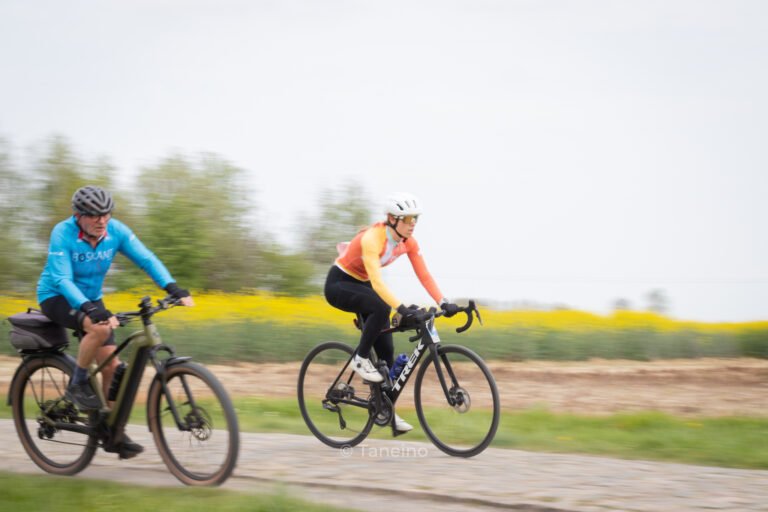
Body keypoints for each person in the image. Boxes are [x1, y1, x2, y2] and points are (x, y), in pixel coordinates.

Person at [37, 185, 193, 458]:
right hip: (57, 296)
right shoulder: (62, 233)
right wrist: (87, 308)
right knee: (98, 328)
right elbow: (62, 279)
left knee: (112, 366)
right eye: (94, 215)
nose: (101, 220)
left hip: (91, 299)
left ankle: (110, 432)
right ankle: (77, 384)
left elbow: (146, 259)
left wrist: (172, 287)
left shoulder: (116, 231)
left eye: (106, 214)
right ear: (78, 215)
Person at [324, 192, 461, 433]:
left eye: (415, 218)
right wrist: (402, 308)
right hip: (340, 284)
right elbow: (377, 284)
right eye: (407, 219)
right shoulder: (373, 239)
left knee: (386, 350)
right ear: (392, 219)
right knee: (381, 306)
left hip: (362, 285)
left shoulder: (408, 242)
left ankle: (384, 409)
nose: (413, 224)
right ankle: (360, 359)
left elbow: (424, 275)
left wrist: (443, 301)